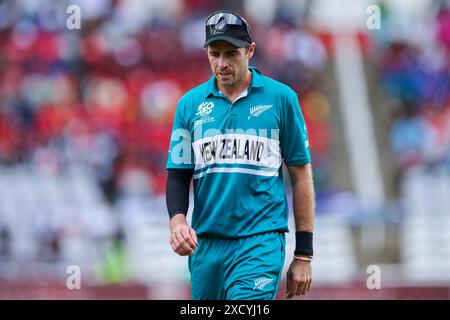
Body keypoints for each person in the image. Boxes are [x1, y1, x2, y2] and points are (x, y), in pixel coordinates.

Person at [165, 10, 315, 300]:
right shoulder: (189, 105)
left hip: (259, 242)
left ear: (250, 51)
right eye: (214, 53)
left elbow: (301, 175)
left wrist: (304, 253)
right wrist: (178, 222)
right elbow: (178, 174)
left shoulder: (281, 99)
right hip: (206, 244)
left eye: (231, 53)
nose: (221, 64)